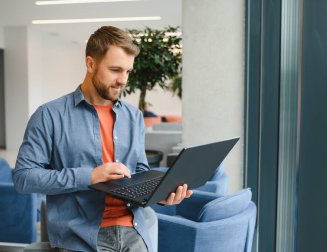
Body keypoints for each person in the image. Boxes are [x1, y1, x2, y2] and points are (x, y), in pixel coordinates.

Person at [13, 26, 192, 252]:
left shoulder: (133, 116)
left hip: (133, 231)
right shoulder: (49, 115)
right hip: (79, 237)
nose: (123, 80)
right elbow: (23, 177)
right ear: (90, 64)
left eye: (128, 71)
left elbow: (139, 170)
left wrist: (160, 195)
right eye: (115, 70)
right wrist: (89, 176)